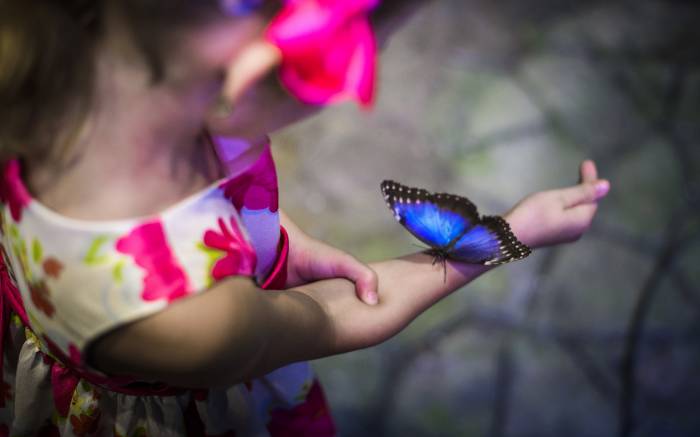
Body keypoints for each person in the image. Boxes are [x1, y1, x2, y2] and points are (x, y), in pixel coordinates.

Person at [0, 0, 611, 435]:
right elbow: (335, 309)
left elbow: (210, 203)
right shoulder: (197, 319)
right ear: (259, 72)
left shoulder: (63, 59)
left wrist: (281, 236)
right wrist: (513, 231)